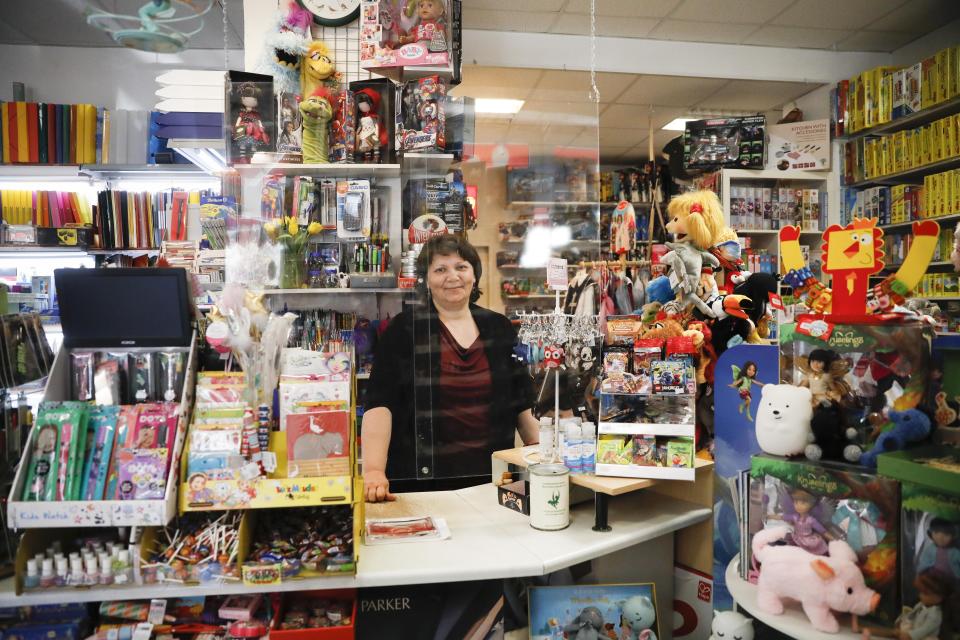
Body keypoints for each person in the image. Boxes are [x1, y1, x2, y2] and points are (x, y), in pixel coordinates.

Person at [362, 234, 539, 502]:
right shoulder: (403, 329)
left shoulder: (498, 327)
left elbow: (521, 403)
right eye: (440, 269)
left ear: (474, 275)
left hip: (493, 478)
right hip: (422, 480)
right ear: (426, 279)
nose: (452, 276)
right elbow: (379, 404)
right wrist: (374, 470)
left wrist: (540, 454)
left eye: (461, 267)